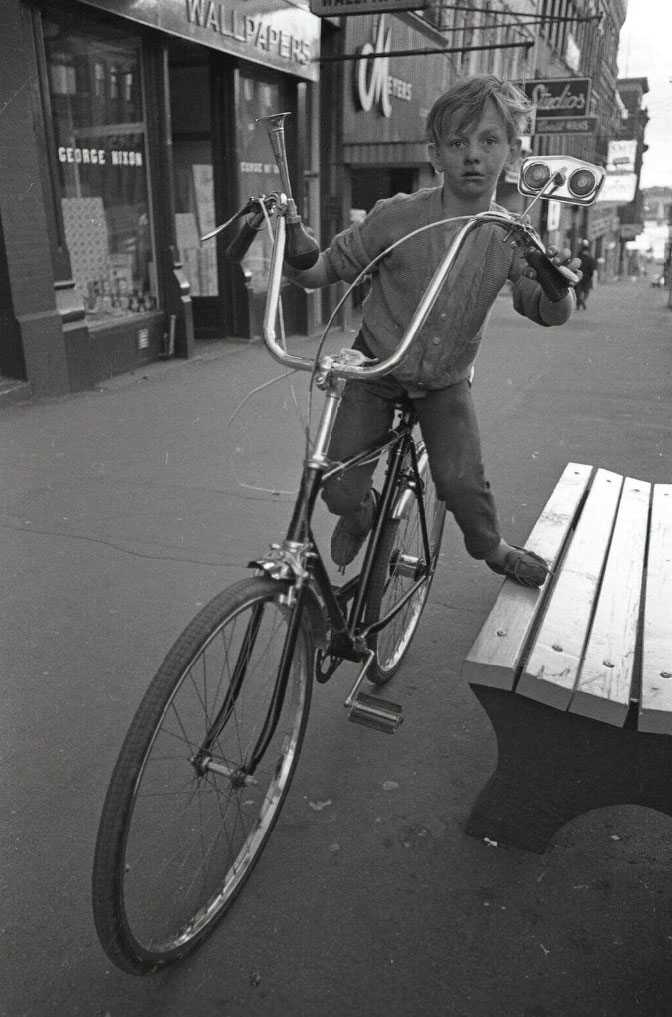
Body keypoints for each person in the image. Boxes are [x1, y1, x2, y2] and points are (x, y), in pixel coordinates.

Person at [285, 74, 581, 588]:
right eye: (457, 142)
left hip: (444, 379)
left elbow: (547, 310)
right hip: (377, 365)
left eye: (489, 141)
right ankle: (365, 514)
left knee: (462, 482)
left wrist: (557, 285)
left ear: (511, 154)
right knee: (337, 486)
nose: (473, 155)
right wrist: (295, 246)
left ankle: (493, 549)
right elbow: (323, 269)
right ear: (435, 154)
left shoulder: (510, 234)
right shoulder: (396, 218)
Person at [574, 239, 597, 309]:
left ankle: (579, 302)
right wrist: (592, 276)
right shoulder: (591, 259)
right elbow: (593, 269)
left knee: (578, 291)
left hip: (578, 276)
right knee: (586, 291)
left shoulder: (578, 258)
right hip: (587, 278)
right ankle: (583, 301)